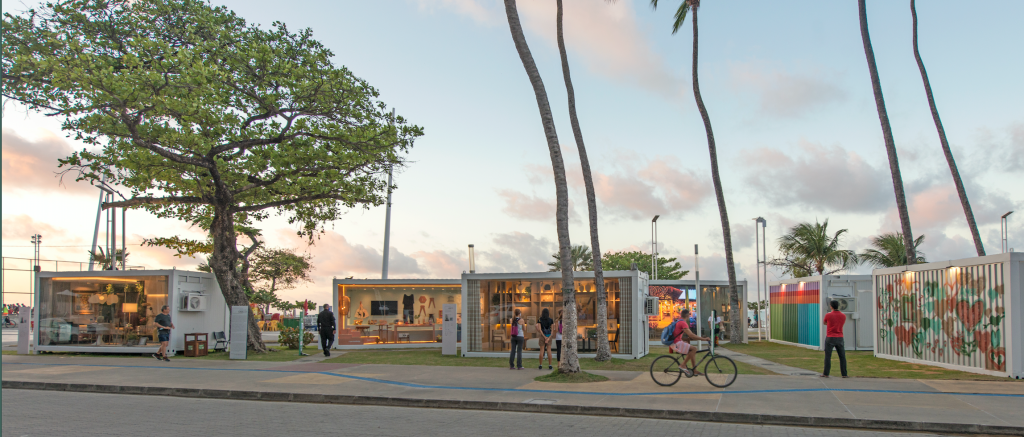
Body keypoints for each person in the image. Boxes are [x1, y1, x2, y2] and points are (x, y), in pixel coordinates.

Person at [669, 309, 711, 377]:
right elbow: (691, 336)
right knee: (694, 349)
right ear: (688, 316)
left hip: (675, 343)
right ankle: (683, 365)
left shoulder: (679, 321)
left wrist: (683, 341)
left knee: (692, 351)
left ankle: (694, 370)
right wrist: (704, 339)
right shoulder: (683, 323)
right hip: (676, 343)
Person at [822, 300, 849, 378]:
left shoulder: (828, 315)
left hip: (830, 337)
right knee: (842, 356)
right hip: (840, 337)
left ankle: (826, 373)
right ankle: (844, 374)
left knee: (828, 356)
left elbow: (825, 323)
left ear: (831, 306)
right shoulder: (843, 315)